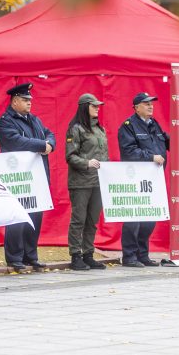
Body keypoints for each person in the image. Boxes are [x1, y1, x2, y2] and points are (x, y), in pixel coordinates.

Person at [0, 82, 55, 271]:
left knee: (35, 217)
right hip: (18, 179)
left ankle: (31, 255)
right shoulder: (5, 121)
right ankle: (14, 257)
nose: (29, 102)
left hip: (36, 178)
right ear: (14, 101)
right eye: (25, 99)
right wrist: (41, 145)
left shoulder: (34, 119)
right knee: (17, 218)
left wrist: (50, 145)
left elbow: (49, 134)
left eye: (30, 99)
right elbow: (16, 141)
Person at [117, 92, 169, 268]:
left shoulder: (154, 124)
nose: (150, 106)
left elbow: (166, 142)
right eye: (146, 104)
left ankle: (143, 254)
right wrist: (151, 157)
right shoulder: (128, 126)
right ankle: (129, 256)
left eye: (151, 103)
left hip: (154, 179)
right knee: (134, 219)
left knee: (149, 219)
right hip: (136, 179)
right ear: (136, 107)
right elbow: (128, 151)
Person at [64, 93, 109, 271]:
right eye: (94, 106)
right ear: (84, 107)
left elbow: (104, 155)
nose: (98, 108)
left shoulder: (100, 129)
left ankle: (88, 254)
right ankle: (76, 255)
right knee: (78, 220)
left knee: (92, 220)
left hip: (98, 182)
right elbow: (70, 156)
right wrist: (87, 163)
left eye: (98, 106)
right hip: (81, 182)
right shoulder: (75, 129)